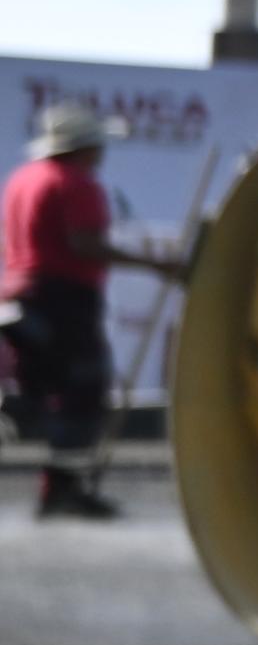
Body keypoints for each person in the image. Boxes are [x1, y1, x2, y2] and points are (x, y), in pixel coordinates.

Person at [3, 102, 178, 521]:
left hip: (24, 295)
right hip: (61, 299)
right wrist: (154, 265)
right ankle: (63, 487)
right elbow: (85, 244)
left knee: (46, 390)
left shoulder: (24, 179)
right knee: (81, 391)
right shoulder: (75, 184)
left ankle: (59, 485)